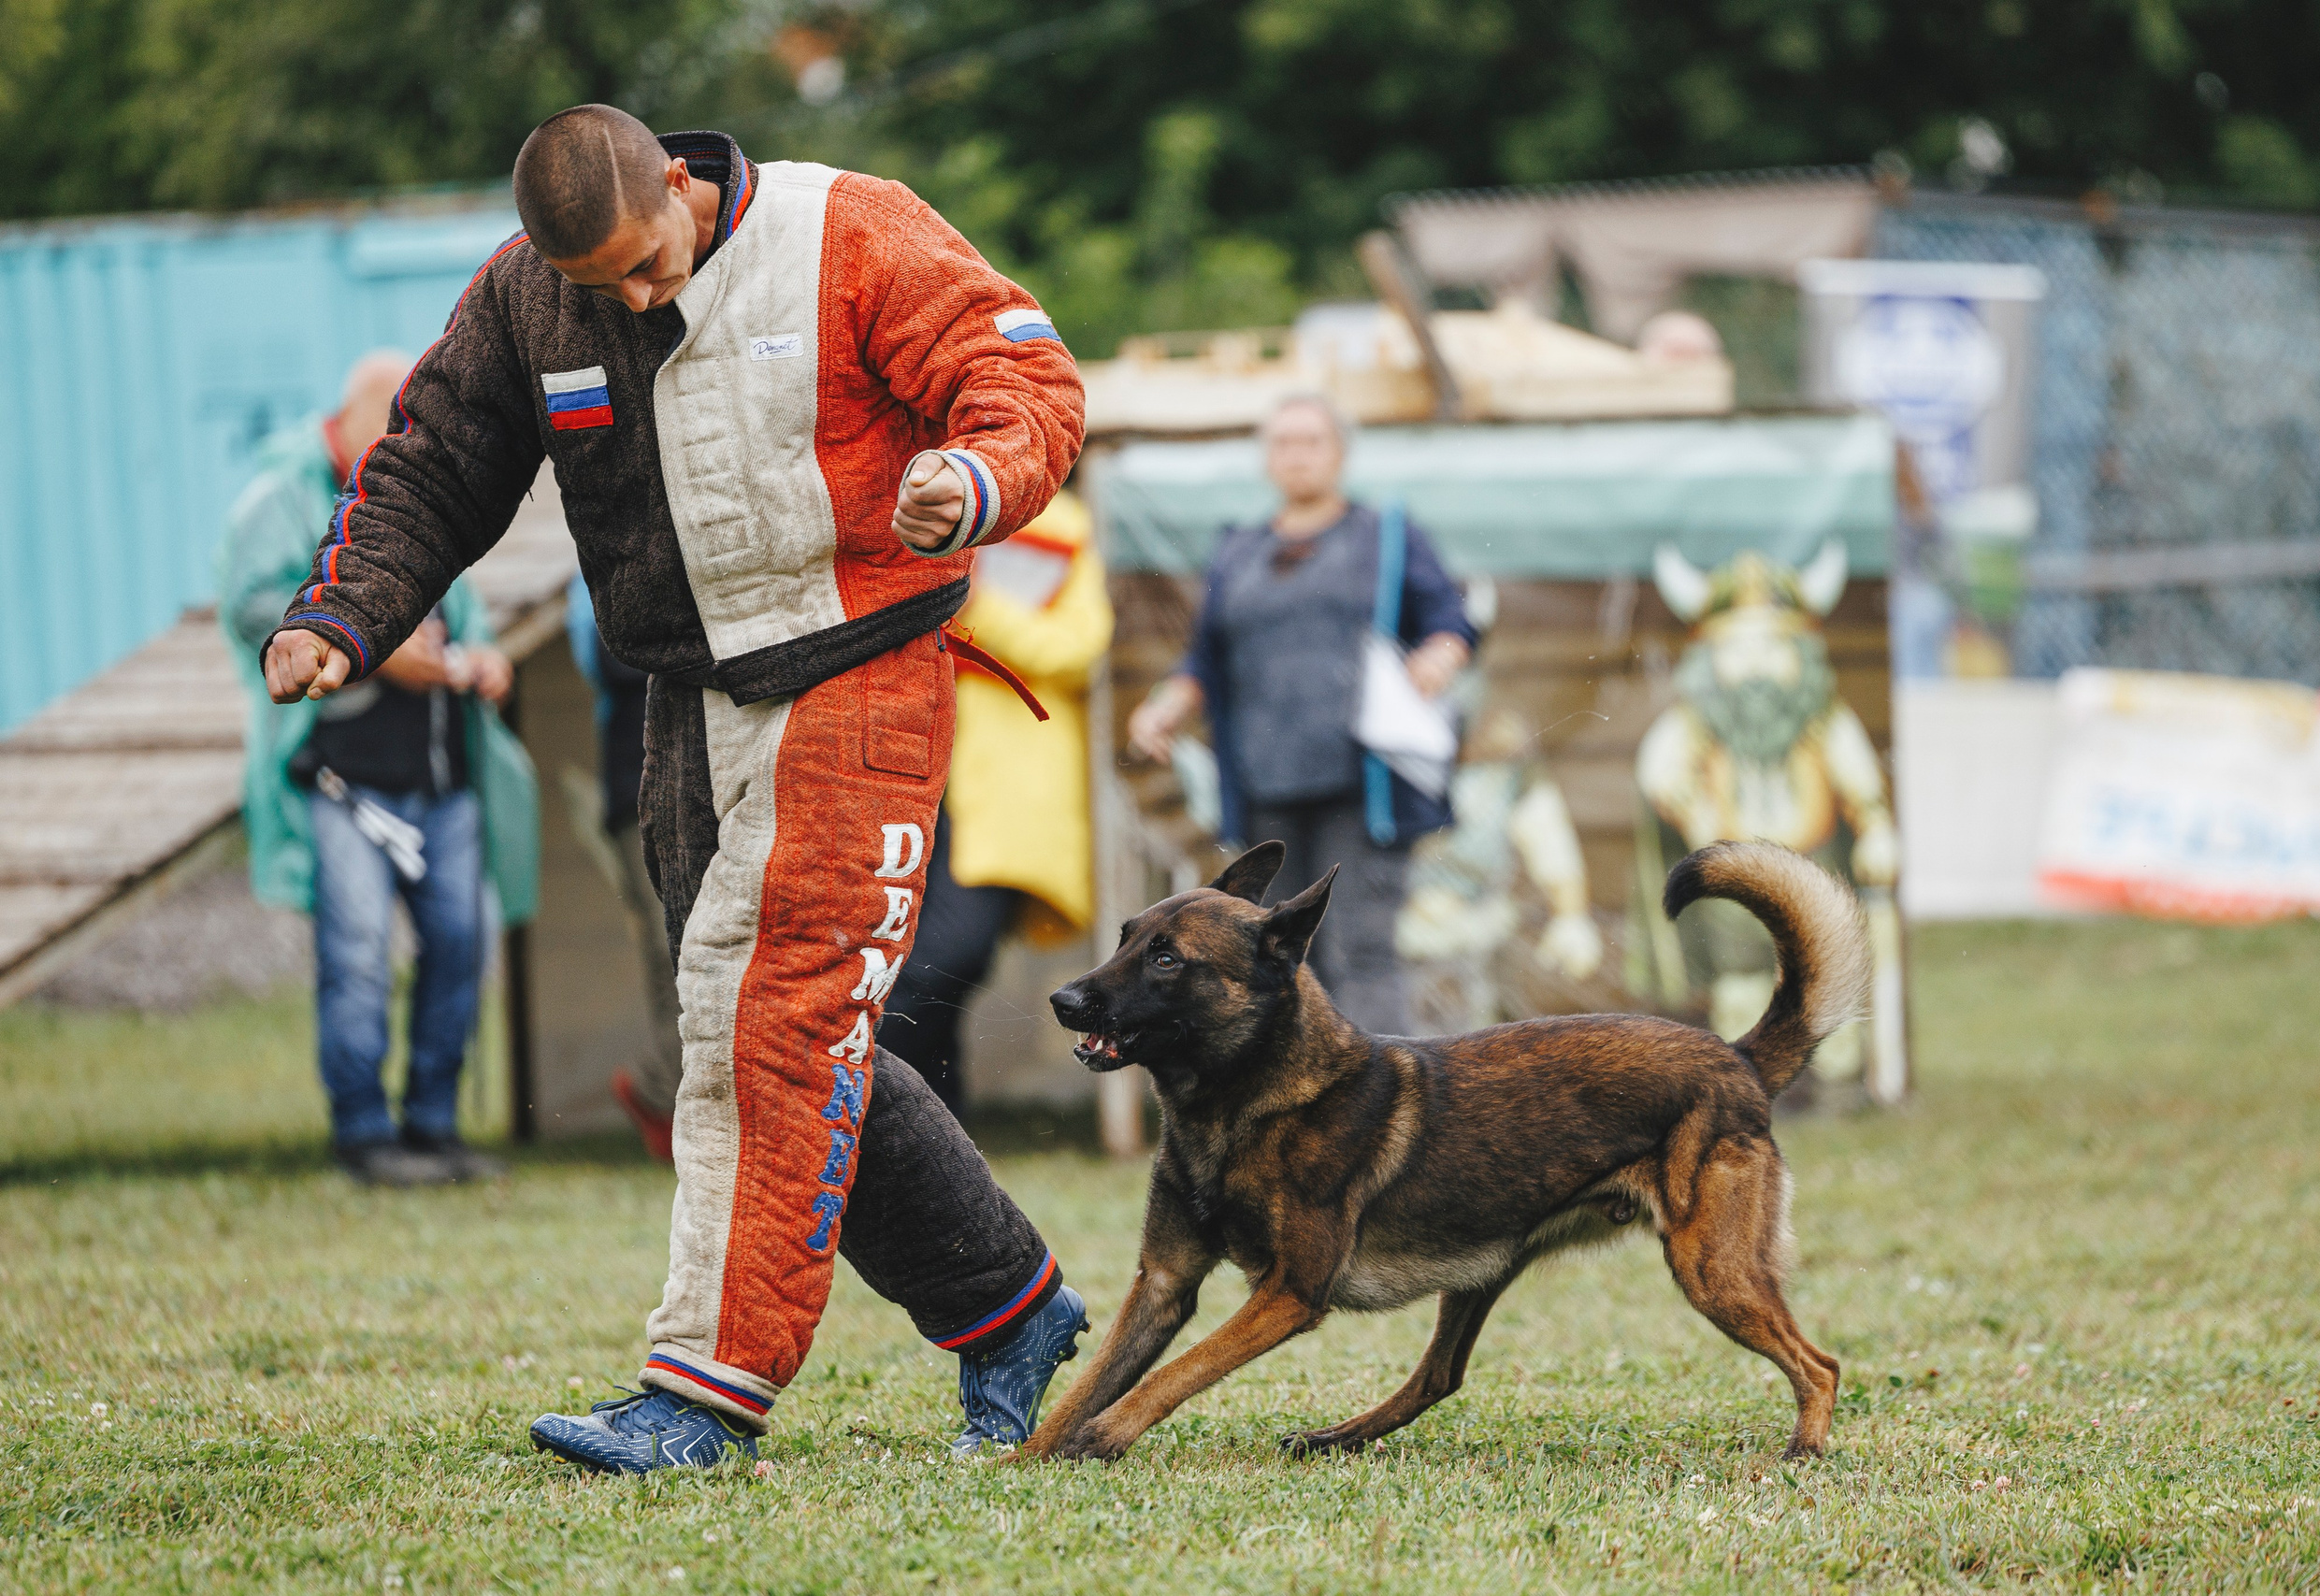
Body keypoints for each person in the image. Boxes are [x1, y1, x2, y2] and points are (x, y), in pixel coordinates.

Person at [256, 107, 1088, 1472]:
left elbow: (1025, 378)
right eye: (603, 287)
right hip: (685, 700)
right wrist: (342, 614)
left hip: (859, 668)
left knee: (774, 1017)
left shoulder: (850, 227)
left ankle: (704, 1395)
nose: (638, 300)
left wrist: (974, 472)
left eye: (650, 263)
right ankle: (1010, 1308)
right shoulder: (529, 296)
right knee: (759, 1028)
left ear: (683, 184)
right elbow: (434, 461)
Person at [217, 352, 539, 1187]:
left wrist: (485, 658)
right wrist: (365, 642)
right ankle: (363, 1134)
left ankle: (433, 1126)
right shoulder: (283, 494)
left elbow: (463, 613)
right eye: (396, 421)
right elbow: (249, 606)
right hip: (344, 777)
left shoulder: (416, 484)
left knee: (463, 943)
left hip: (442, 774)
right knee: (357, 953)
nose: (408, 438)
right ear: (356, 414)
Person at [1127, 395, 1477, 1036]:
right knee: (1281, 956)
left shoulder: (1385, 535)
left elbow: (1450, 618)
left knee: (1360, 947)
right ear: (1267, 458)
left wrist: (1440, 653)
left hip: (1361, 784)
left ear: (1339, 453)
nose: (1297, 454)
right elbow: (1206, 656)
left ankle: (1385, 1084)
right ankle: (1300, 1089)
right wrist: (1167, 706)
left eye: (1312, 441)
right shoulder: (1238, 549)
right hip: (1266, 787)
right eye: (1283, 442)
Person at [880, 489, 1114, 1112]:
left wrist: (972, 604)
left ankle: (869, 1112)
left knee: (945, 959)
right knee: (907, 962)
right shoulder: (901, 503)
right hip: (899, 763)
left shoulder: (1059, 525)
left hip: (997, 787)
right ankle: (930, 1133)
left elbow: (1077, 647)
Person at [562, 573, 683, 1162]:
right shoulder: (590, 576)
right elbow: (610, 658)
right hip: (636, 792)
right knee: (671, 951)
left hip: (709, 786)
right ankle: (662, 1091)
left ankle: (667, 1093)